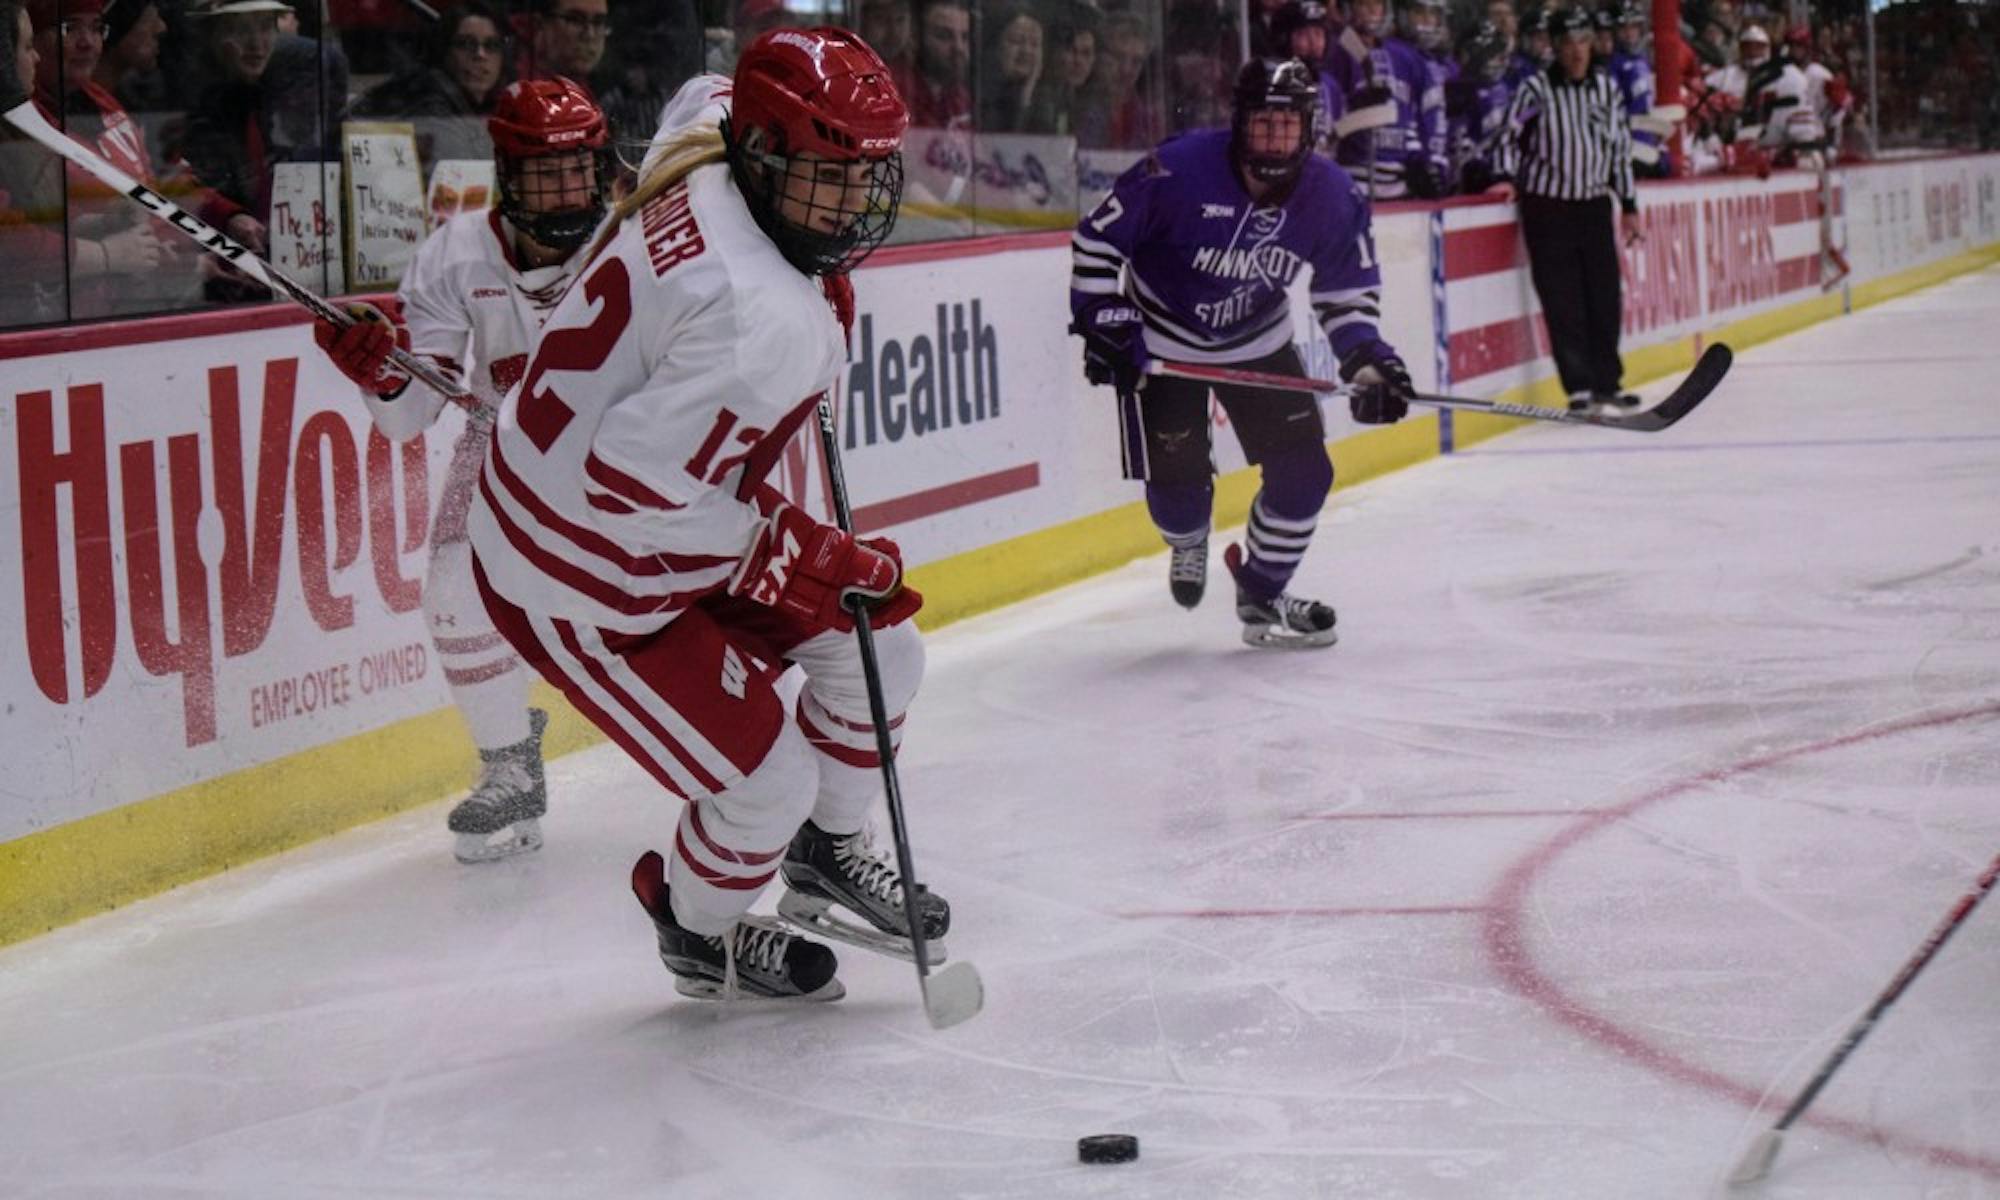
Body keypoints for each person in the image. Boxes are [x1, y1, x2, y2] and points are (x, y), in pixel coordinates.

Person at [464, 28, 942, 1002]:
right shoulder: (758, 316)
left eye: (866, 174)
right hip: (575, 572)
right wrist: (805, 560)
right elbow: (631, 492)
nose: (857, 200)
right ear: (764, 159)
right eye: (831, 176)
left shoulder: (713, 141)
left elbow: (706, 85)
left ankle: (826, 853)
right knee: (767, 783)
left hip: (624, 510)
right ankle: (693, 924)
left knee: (884, 655)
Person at [310, 79, 613, 863]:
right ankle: (510, 761)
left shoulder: (634, 236)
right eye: (545, 174)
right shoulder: (455, 251)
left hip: (631, 444)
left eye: (578, 169)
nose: (566, 191)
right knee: (451, 590)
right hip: (504, 442)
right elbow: (412, 412)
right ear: (507, 177)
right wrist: (382, 374)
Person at [1070, 58, 1414, 650]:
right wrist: (1106, 321)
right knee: (1179, 505)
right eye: (1263, 124)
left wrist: (1368, 362)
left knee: (1306, 476)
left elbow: (1346, 294)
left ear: (1309, 130)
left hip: (1258, 342)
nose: (1274, 140)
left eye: (1288, 126)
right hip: (1164, 341)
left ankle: (1261, 590)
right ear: (1238, 124)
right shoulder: (1176, 170)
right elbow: (1096, 243)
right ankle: (1188, 541)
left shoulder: (1332, 195)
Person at [1487, 8, 1639, 412]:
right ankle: (1579, 387)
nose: (1577, 52)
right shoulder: (1536, 89)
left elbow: (1620, 150)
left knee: (1605, 296)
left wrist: (1628, 204)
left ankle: (1608, 382)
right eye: (1568, 44)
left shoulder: (1605, 90)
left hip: (1592, 205)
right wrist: (1505, 176)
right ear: (1555, 46)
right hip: (1548, 207)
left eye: (1584, 42)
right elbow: (1509, 135)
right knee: (1562, 298)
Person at [353, 0, 511, 163]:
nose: (480, 55)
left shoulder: (492, 106)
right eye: (466, 44)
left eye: (492, 45)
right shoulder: (430, 107)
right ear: (445, 51)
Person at [1322, 0, 1446, 198]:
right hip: (1352, 183)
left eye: (1378, 4)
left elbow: (1422, 116)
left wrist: (1427, 162)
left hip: (1401, 185)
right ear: (1348, 8)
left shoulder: (1407, 57)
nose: (1372, 10)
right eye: (1364, 3)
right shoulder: (1337, 54)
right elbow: (1327, 116)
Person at [1448, 19, 1514, 192]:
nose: (1492, 61)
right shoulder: (1457, 90)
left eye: (1495, 53)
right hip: (1473, 186)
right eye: (1484, 53)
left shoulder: (1505, 88)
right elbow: (1458, 139)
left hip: (1507, 179)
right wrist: (1479, 172)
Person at [1608, 3, 1663, 174]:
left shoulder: (1643, 60)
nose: (1629, 33)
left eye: (1634, 27)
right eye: (1624, 28)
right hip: (1629, 142)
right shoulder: (1614, 65)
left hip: (1649, 137)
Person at [907, 0, 970, 127]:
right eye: (944, 36)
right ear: (915, 38)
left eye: (965, 37)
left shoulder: (961, 97)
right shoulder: (896, 92)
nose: (959, 47)